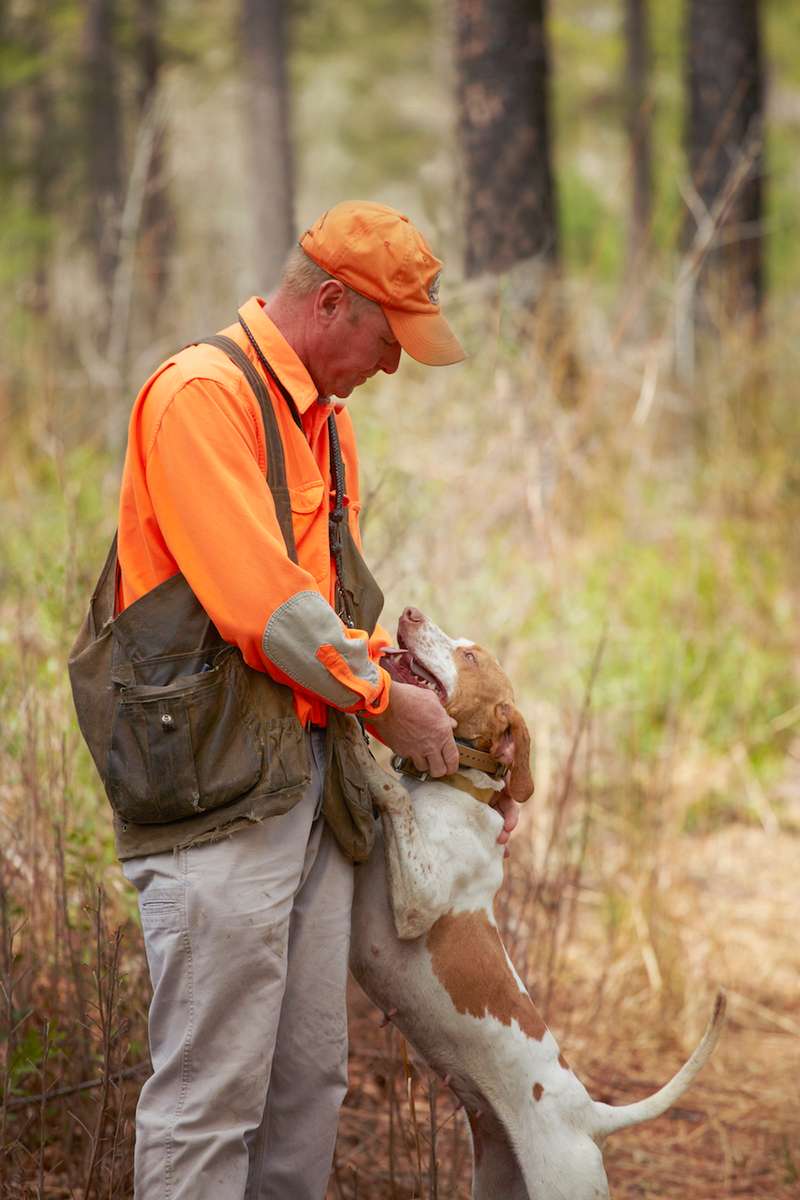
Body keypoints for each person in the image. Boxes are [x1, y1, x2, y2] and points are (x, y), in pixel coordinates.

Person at [101, 201, 520, 1198]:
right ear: (332, 302)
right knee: (210, 1097)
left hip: (309, 787)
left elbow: (326, 614)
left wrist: (458, 754)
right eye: (386, 341)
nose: (389, 368)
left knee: (304, 1087)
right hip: (214, 800)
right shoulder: (200, 397)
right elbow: (263, 608)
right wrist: (386, 701)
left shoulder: (326, 429)